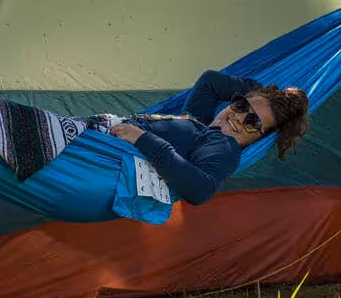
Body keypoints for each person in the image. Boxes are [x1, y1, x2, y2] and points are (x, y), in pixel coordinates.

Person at [109, 70, 311, 205]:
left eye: (253, 122)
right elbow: (210, 81)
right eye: (241, 106)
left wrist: (144, 139)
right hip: (104, 135)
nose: (239, 117)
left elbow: (200, 190)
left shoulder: (225, 147)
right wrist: (263, 95)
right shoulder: (201, 124)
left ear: (260, 137)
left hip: (108, 158)